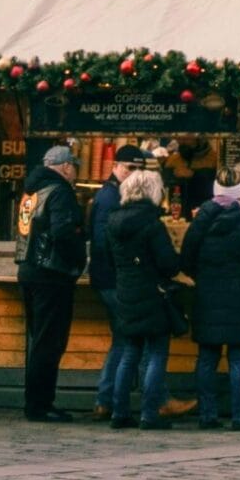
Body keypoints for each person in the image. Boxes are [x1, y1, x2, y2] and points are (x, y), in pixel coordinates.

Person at [183, 167, 240, 430]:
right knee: (239, 359)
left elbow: (186, 259)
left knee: (207, 359)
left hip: (207, 299)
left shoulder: (200, 222)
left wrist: (201, 278)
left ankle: (207, 415)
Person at [103, 166, 180, 429]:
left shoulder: (113, 221)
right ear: (153, 191)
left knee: (129, 351)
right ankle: (149, 413)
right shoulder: (152, 224)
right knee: (157, 352)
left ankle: (119, 412)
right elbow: (168, 264)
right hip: (153, 293)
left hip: (126, 291)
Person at [18, 145, 87, 423]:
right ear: (66, 166)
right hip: (52, 275)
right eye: (74, 167)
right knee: (50, 342)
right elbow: (63, 232)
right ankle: (40, 405)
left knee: (40, 341)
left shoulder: (32, 191)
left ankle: (37, 402)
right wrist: (75, 264)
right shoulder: (59, 192)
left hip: (29, 271)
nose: (74, 173)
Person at [86, 143, 144, 421]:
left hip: (110, 278)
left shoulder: (115, 194)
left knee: (123, 338)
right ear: (115, 167)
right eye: (129, 168)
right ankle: (119, 399)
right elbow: (100, 241)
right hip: (113, 280)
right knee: (131, 338)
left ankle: (106, 400)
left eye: (138, 169)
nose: (133, 173)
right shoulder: (110, 197)